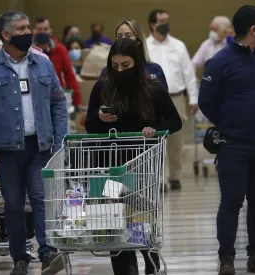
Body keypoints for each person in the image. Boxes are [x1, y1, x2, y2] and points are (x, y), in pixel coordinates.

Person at [0, 10, 67, 275]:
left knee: (40, 197)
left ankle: (47, 253)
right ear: (5, 35)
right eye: (21, 29)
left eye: (28, 28)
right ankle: (19, 258)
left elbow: (58, 102)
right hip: (6, 150)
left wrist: (59, 141)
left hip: (39, 146)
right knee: (12, 204)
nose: (28, 33)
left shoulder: (43, 63)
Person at [85, 38, 182, 275]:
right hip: (109, 166)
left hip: (142, 166)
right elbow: (89, 125)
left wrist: (155, 128)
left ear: (137, 63)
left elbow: (175, 121)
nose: (119, 71)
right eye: (115, 65)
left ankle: (151, 263)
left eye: (125, 65)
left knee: (141, 222)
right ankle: (124, 270)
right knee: (115, 226)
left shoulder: (153, 88)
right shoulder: (102, 87)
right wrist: (100, 118)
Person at [199, 5, 255, 275]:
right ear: (254, 29)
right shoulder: (220, 62)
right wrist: (232, 124)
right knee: (231, 201)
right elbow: (206, 102)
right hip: (233, 144)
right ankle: (226, 259)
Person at [146, 9, 199, 191]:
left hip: (176, 98)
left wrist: (193, 98)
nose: (166, 23)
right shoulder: (145, 46)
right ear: (152, 24)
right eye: (162, 20)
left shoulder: (178, 46)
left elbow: (189, 74)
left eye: (167, 20)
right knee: (155, 140)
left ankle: (175, 177)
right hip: (152, 99)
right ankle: (158, 179)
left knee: (176, 142)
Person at [100, 19, 168, 90]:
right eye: (119, 36)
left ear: (138, 41)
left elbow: (163, 98)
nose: (123, 39)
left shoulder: (154, 69)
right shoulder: (107, 71)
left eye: (128, 36)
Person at [33, 17, 81, 107]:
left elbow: (69, 75)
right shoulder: (27, 50)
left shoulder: (60, 50)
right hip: (33, 97)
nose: (42, 32)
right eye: (39, 29)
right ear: (34, 31)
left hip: (55, 97)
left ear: (50, 31)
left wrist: (77, 101)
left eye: (45, 29)